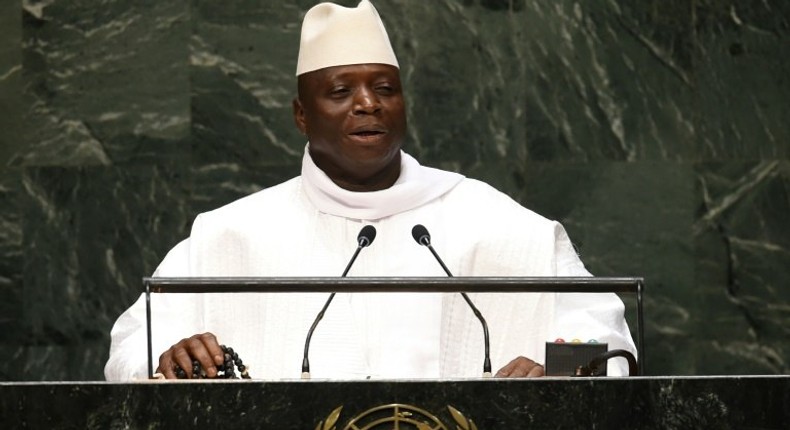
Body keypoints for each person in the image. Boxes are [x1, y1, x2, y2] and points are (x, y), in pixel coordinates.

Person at [104, 0, 636, 381]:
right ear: (300, 115)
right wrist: (167, 356)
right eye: (341, 91)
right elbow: (131, 345)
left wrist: (558, 375)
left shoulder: (495, 221)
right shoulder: (231, 234)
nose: (368, 104)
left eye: (385, 89)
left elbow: (605, 337)